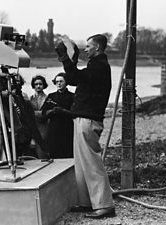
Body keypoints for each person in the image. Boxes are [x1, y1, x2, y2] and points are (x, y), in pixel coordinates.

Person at [55, 34, 115, 218]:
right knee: (81, 165)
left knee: (91, 163)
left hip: (88, 119)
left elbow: (73, 76)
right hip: (83, 118)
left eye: (89, 46)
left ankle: (104, 204)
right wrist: (69, 58)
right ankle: (87, 202)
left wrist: (65, 57)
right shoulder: (96, 66)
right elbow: (74, 79)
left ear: (97, 48)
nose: (86, 49)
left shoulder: (99, 66)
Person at [43, 73, 74, 158]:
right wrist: (51, 112)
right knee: (54, 153)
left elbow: (75, 113)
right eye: (57, 82)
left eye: (61, 81)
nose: (59, 84)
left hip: (68, 129)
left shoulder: (72, 96)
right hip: (54, 129)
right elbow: (43, 112)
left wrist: (63, 111)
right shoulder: (51, 96)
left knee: (68, 153)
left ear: (66, 82)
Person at [29, 75, 50, 159]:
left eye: (40, 84)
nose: (38, 86)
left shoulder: (47, 98)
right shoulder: (30, 98)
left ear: (43, 85)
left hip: (44, 126)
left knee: (42, 146)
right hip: (34, 125)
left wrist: (34, 113)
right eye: (36, 84)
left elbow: (47, 113)